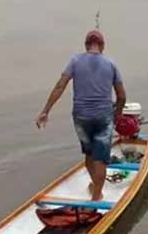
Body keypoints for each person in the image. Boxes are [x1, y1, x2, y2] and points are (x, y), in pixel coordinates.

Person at [36, 30, 126, 202]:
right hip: (103, 117)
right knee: (100, 160)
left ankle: (96, 188)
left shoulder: (75, 61)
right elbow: (121, 96)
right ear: (103, 46)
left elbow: (59, 86)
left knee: (89, 156)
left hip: (81, 117)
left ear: (86, 46)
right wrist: (117, 114)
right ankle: (97, 195)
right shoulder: (111, 64)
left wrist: (45, 110)